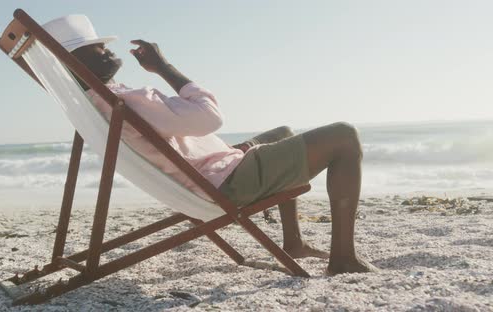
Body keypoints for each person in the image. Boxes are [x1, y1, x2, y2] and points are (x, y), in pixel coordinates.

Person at [42, 15, 374, 274]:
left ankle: (294, 243)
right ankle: (343, 257)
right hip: (224, 184)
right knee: (344, 136)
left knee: (284, 131)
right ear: (77, 61)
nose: (107, 49)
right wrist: (164, 67)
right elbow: (210, 118)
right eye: (96, 47)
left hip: (207, 174)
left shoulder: (95, 104)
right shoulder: (128, 99)